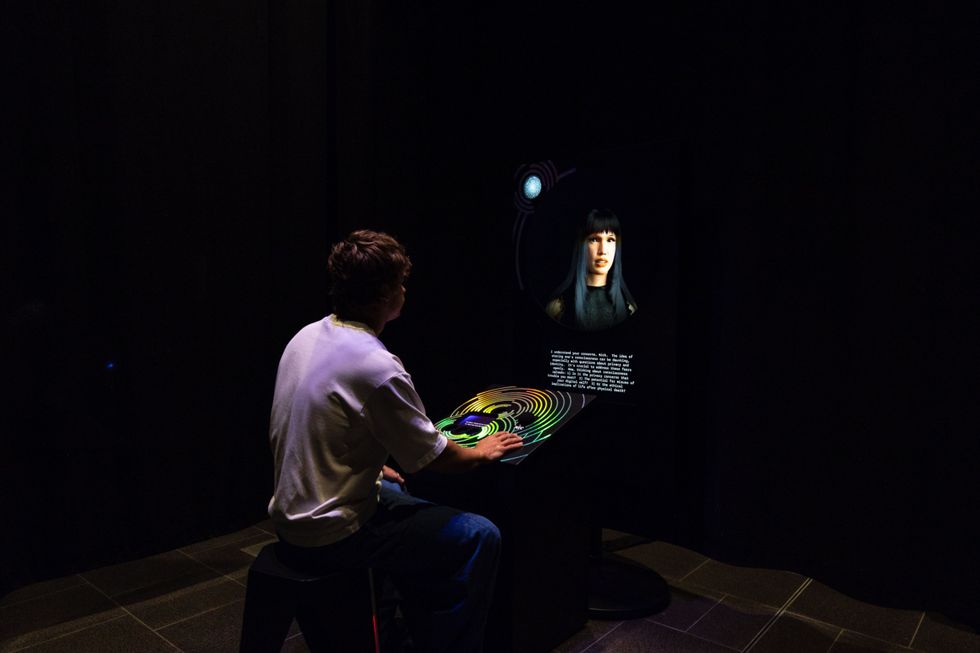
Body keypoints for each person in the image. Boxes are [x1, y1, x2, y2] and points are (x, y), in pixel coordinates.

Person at [267, 229, 523, 653]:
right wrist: (481, 452)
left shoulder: (306, 336)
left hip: (289, 520)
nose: (405, 290)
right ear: (385, 293)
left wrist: (371, 464)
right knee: (481, 535)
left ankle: (383, 624)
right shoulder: (377, 365)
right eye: (400, 283)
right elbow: (433, 457)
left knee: (391, 486)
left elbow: (320, 429)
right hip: (334, 537)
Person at [545, 209, 637, 331]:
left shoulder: (629, 309)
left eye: (610, 240)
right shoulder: (557, 308)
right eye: (594, 239)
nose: (603, 251)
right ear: (581, 244)